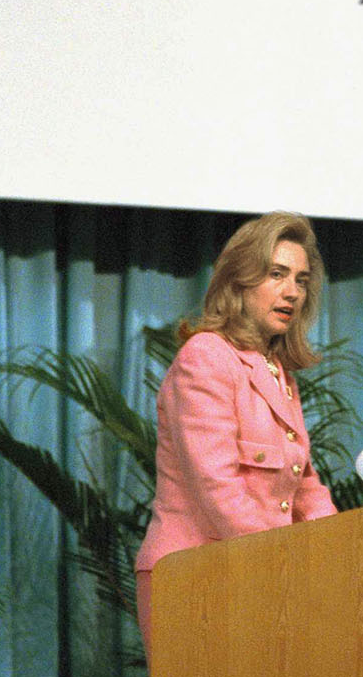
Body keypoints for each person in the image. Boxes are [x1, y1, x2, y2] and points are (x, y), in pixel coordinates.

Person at [134, 211, 338, 652]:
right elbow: (217, 490)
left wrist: (344, 553)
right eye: (276, 274)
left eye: (301, 280)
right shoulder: (205, 357)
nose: (292, 292)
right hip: (194, 577)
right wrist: (288, 561)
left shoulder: (277, 370)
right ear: (238, 282)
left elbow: (305, 488)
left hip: (256, 572)